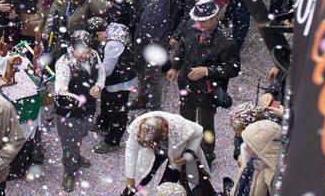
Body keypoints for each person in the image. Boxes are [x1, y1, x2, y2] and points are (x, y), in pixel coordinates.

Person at [167, 0, 240, 166]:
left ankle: (206, 157)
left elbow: (233, 68)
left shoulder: (227, 40)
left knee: (206, 125)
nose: (199, 25)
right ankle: (187, 150)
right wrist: (175, 67)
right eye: (197, 20)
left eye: (203, 21)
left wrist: (207, 71)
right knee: (186, 121)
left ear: (215, 17)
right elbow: (183, 47)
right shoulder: (192, 27)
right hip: (186, 84)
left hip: (209, 91)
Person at [54, 30, 104, 192]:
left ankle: (75, 155)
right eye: (80, 52)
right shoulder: (64, 62)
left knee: (82, 133)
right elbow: (60, 84)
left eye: (87, 52)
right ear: (72, 48)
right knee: (69, 140)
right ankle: (69, 171)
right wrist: (63, 88)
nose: (84, 56)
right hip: (69, 110)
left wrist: (98, 86)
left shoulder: (94, 55)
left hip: (88, 107)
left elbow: (101, 73)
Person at [122, 112, 212, 195]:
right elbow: (131, 150)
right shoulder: (138, 127)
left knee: (165, 186)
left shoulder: (179, 125)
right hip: (154, 153)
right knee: (141, 178)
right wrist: (130, 177)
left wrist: (187, 156)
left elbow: (199, 132)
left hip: (177, 155)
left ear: (164, 133)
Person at [92, 22, 138, 154]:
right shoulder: (116, 32)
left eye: (98, 36)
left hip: (119, 83)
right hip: (116, 80)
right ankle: (103, 123)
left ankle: (113, 140)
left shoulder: (113, 44)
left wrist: (92, 76)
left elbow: (106, 70)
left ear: (102, 32)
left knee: (117, 111)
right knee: (106, 102)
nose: (99, 40)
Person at [228, 120, 281, 196]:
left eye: (250, 146)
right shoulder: (254, 159)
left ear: (262, 149)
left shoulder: (273, 176)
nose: (246, 148)